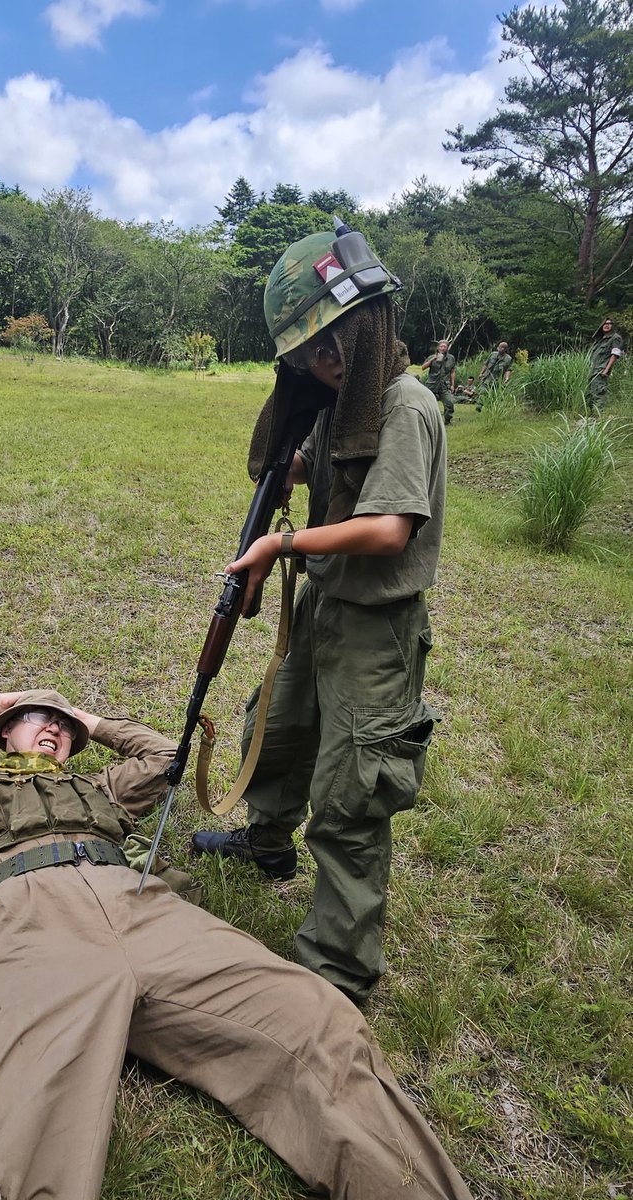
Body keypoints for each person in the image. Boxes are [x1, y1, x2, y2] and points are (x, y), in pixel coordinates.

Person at [0, 683, 472, 1200]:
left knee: (318, 1023)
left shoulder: (102, 787)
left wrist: (88, 720)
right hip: (28, 919)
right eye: (36, 718)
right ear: (3, 734)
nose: (53, 726)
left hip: (141, 906)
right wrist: (0, 702)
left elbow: (166, 758)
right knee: (16, 1128)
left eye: (62, 724)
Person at [192, 227, 445, 1007]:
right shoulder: (345, 402)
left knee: (351, 791)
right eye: (307, 358)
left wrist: (284, 542)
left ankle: (336, 969)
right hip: (321, 604)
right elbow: (324, 470)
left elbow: (386, 527)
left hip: (376, 628)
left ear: (369, 329)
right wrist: (291, 456)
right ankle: (264, 839)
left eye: (330, 351)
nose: (321, 367)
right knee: (282, 727)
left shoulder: (406, 405)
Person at [587, 316, 624, 413]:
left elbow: (615, 355)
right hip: (592, 370)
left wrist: (607, 369)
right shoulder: (599, 340)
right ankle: (591, 416)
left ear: (613, 326)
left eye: (609, 323)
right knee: (590, 394)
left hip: (601, 370)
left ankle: (598, 417)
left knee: (599, 393)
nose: (607, 325)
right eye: (605, 323)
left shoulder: (616, 338)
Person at [421, 339, 457, 424]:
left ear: (447, 348)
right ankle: (427, 420)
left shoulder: (451, 358)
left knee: (449, 403)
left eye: (445, 346)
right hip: (432, 384)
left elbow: (452, 371)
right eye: (441, 346)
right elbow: (423, 367)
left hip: (444, 384)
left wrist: (452, 384)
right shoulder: (432, 357)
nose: (443, 348)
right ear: (438, 348)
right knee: (428, 403)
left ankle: (447, 420)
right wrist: (432, 359)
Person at [475, 341, 512, 410]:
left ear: (504, 349)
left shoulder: (508, 359)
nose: (498, 348)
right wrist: (481, 373)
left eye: (500, 347)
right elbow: (486, 364)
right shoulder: (493, 354)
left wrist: (507, 378)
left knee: (493, 395)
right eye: (498, 346)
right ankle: (479, 406)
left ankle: (490, 407)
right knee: (483, 391)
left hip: (497, 379)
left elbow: (508, 370)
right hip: (487, 377)